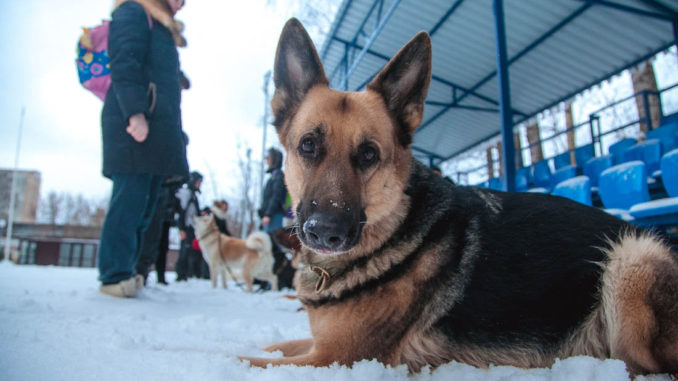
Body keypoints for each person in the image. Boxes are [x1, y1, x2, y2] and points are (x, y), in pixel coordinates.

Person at [98, 0, 188, 298]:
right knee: (129, 200)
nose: (182, 4)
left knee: (147, 204)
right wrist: (135, 113)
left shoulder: (161, 26)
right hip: (135, 122)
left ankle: (133, 269)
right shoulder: (134, 11)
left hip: (157, 127)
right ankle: (114, 274)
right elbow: (125, 60)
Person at [175, 171, 203, 281]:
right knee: (184, 250)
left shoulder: (193, 195)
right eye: (199, 182)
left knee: (189, 250)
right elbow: (181, 212)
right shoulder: (186, 193)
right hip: (186, 226)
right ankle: (181, 274)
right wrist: (181, 228)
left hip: (192, 227)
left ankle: (186, 273)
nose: (199, 184)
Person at [259, 148, 287, 233]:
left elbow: (276, 197)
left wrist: (268, 215)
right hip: (271, 216)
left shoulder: (278, 176)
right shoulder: (274, 176)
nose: (266, 161)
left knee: (273, 242)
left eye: (268, 158)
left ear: (274, 160)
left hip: (274, 216)